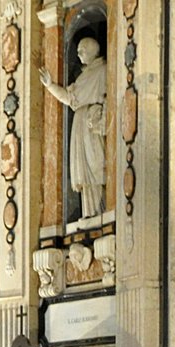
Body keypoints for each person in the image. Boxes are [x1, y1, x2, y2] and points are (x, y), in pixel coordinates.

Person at [40, 37, 108, 220]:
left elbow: (110, 100)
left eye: (82, 50)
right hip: (81, 125)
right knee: (85, 173)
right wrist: (50, 85)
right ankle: (90, 213)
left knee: (97, 166)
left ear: (93, 50)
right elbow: (69, 98)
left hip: (92, 124)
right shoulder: (85, 76)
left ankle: (100, 212)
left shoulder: (102, 71)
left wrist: (100, 120)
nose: (78, 54)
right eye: (77, 51)